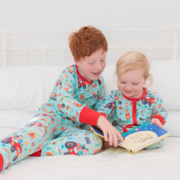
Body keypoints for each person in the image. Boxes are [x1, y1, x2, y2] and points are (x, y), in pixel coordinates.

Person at [0, 26, 124, 171]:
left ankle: (34, 150)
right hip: (50, 118)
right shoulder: (69, 75)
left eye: (102, 59)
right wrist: (98, 118)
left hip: (70, 129)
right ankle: (5, 154)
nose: (99, 66)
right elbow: (65, 102)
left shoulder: (100, 83)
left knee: (94, 142)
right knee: (36, 134)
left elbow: (99, 108)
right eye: (91, 62)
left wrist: (106, 116)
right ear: (76, 60)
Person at [98, 51, 168, 150]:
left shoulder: (152, 97)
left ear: (145, 80)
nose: (128, 87)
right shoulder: (115, 96)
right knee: (106, 136)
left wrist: (158, 119)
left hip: (143, 132)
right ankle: (122, 143)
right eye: (123, 82)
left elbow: (162, 111)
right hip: (121, 130)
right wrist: (101, 117)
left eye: (134, 83)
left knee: (159, 141)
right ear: (117, 76)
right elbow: (103, 109)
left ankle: (123, 145)